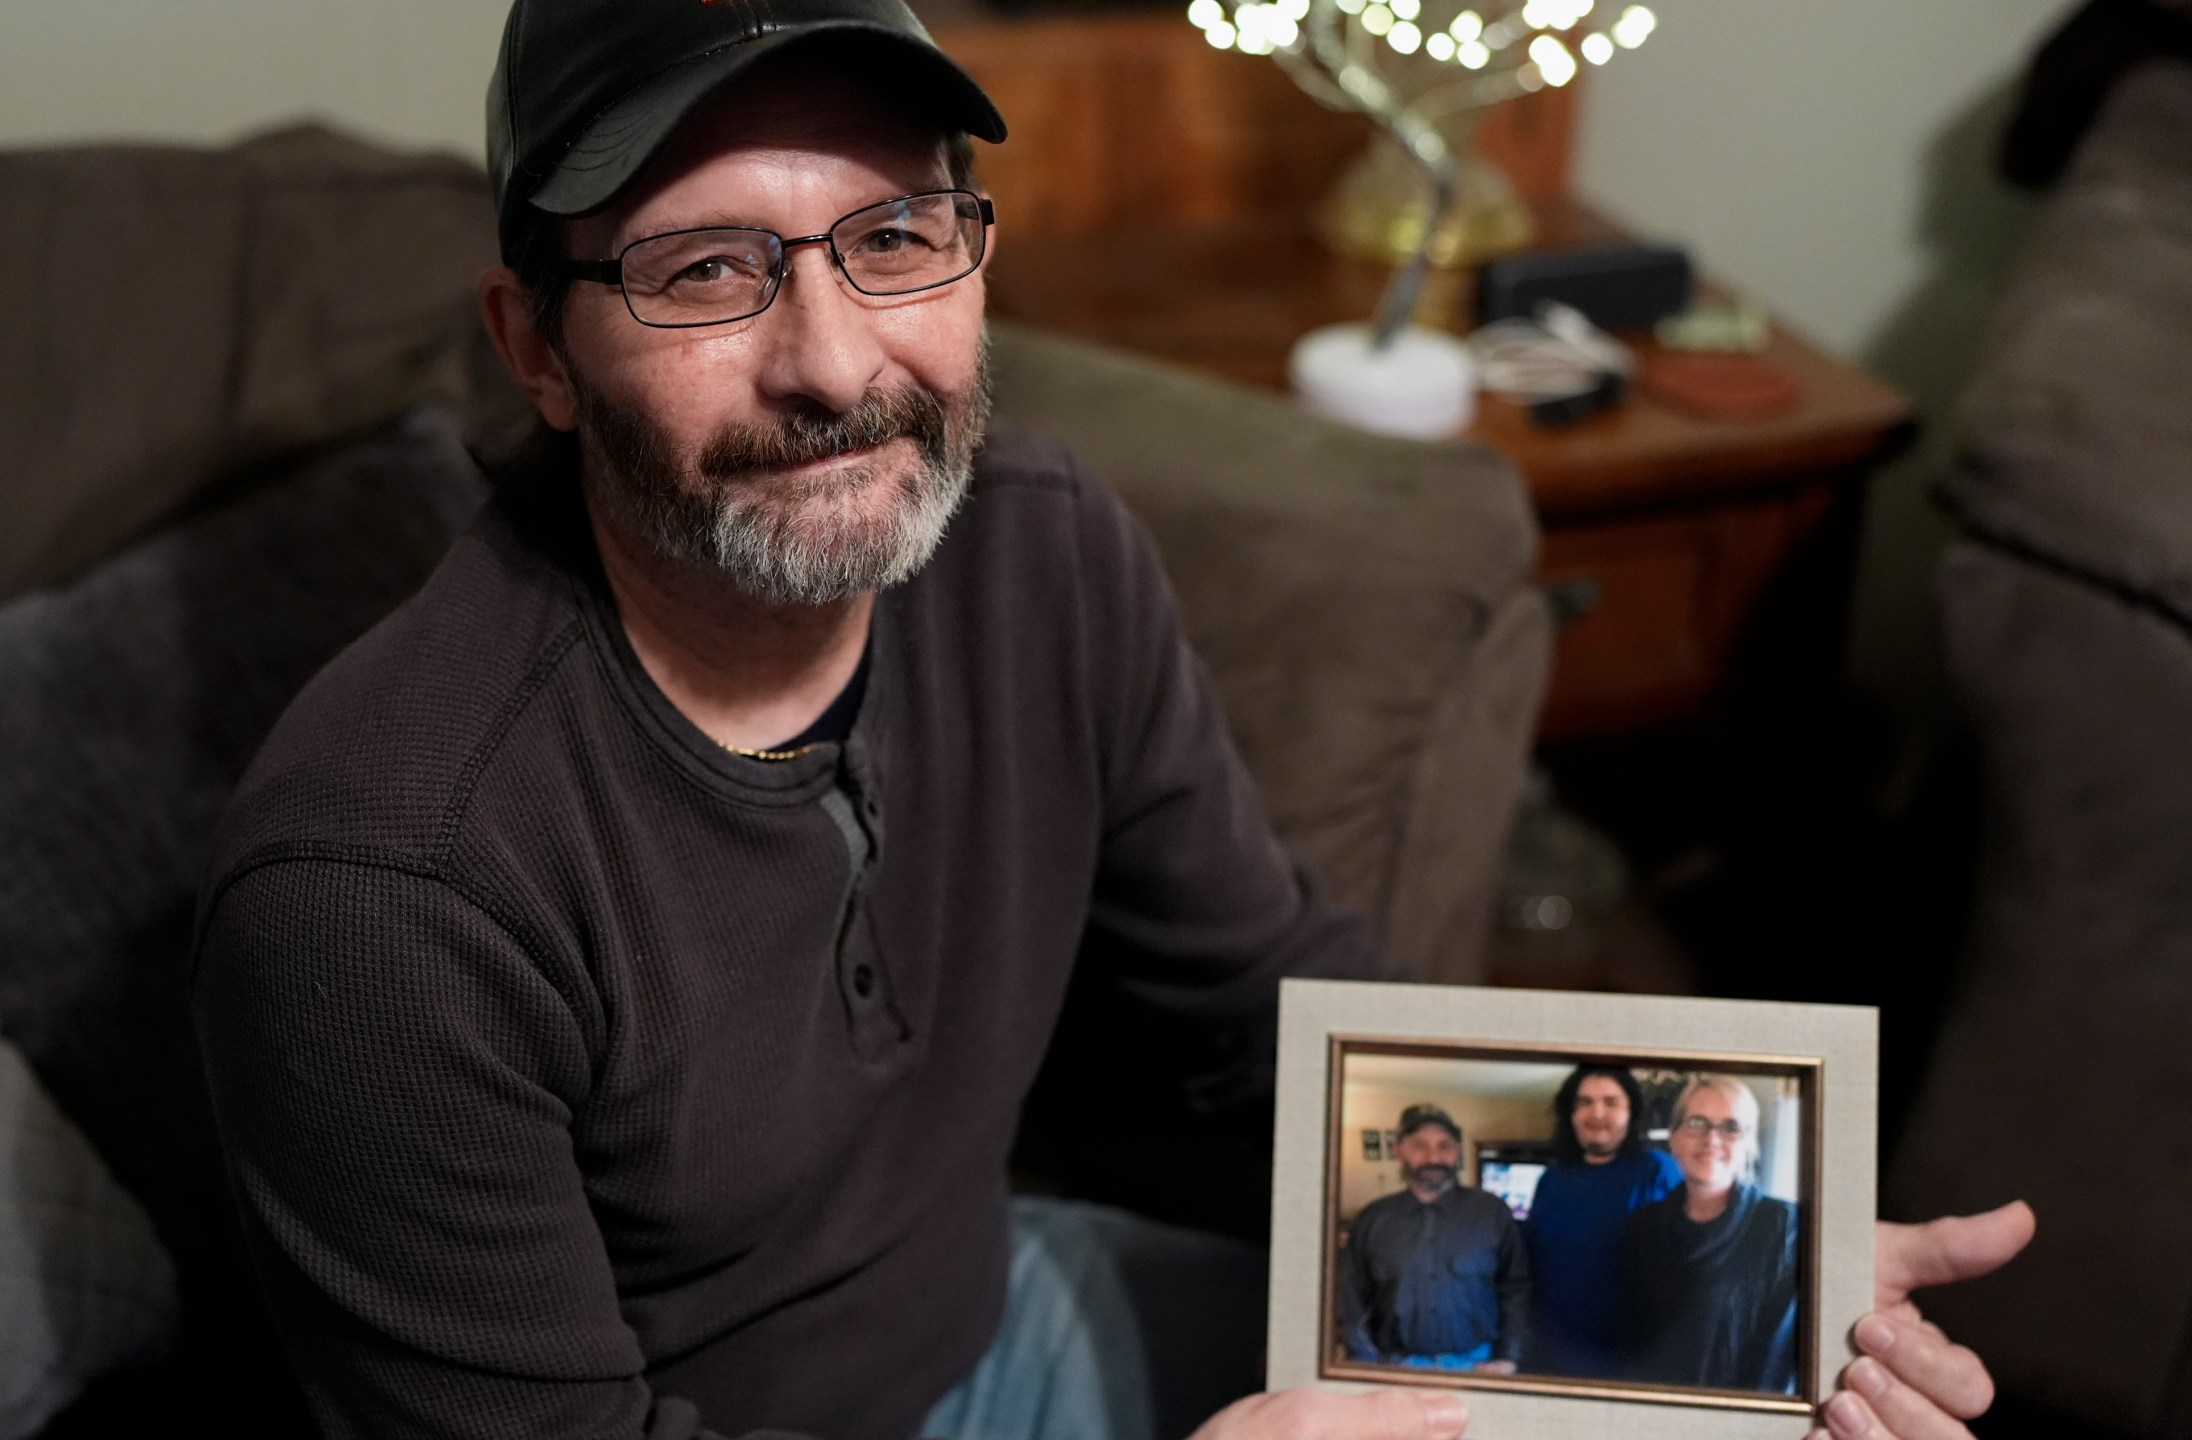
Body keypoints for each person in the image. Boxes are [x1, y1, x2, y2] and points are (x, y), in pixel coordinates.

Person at [187, 0, 2037, 1435]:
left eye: (894, 238)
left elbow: (1270, 998)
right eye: (706, 270)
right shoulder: (379, 888)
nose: (834, 365)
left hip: (1009, 1310)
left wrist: (1740, 1259)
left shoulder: (1042, 553)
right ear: (537, 348)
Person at [1619, 1075, 1801, 1394]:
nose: (1712, 1139)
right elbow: (1630, 1337)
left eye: (1731, 1127)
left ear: (1748, 1144)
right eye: (1696, 1122)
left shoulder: (1784, 1226)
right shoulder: (1643, 1226)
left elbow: (1777, 1357)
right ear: (1674, 1139)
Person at [1338, 1106, 1530, 1373]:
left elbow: (1516, 1288)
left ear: (1458, 1151)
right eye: (1419, 1146)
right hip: (1396, 1367)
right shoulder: (1371, 1219)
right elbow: (1352, 1301)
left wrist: (1509, 1356)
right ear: (1399, 1151)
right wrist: (1364, 1364)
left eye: (1444, 1146)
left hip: (1479, 1364)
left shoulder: (1492, 1212)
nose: (1433, 1156)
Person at [1522, 1064, 1683, 1378]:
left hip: (1631, 1359)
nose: (1597, 1113)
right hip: (1551, 1356)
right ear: (1570, 1114)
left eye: (1611, 1102)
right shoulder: (1551, 1179)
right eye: (1584, 1103)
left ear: (1631, 1112)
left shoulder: (1658, 1170)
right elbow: (1532, 1262)